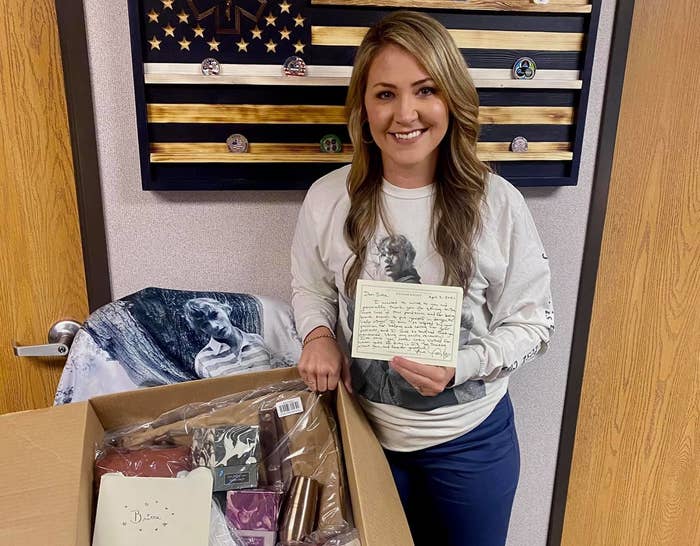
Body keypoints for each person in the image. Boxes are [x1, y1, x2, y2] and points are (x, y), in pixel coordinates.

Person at [290, 11, 554, 546]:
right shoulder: (327, 197)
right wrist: (317, 335)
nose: (404, 113)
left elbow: (535, 324)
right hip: (363, 436)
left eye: (425, 90)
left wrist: (461, 365)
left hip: (471, 443)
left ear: (451, 99)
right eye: (385, 94)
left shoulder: (496, 204)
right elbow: (311, 287)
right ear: (363, 108)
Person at [183, 297, 272, 378]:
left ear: (225, 309)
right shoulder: (203, 360)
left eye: (214, 315)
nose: (214, 326)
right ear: (201, 330)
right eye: (205, 325)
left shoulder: (258, 340)